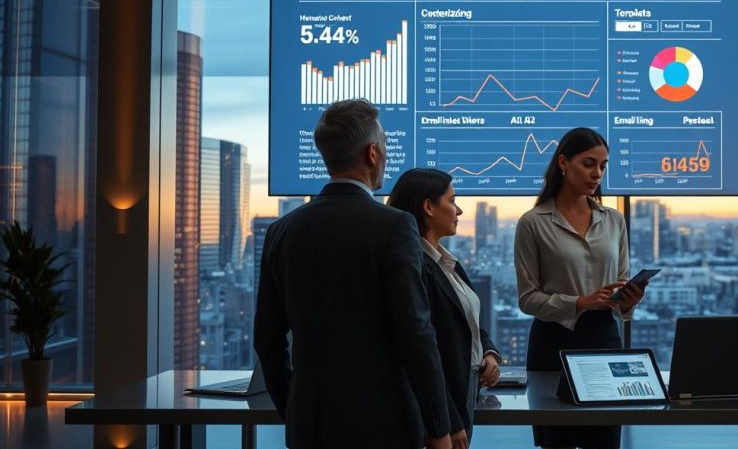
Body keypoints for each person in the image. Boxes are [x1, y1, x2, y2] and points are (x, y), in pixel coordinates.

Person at [254, 100, 452, 449]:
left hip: (309, 426)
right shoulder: (395, 226)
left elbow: (267, 340)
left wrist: (294, 408)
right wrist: (439, 428)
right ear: (372, 154)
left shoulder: (282, 231)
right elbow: (416, 334)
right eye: (386, 146)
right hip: (385, 425)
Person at [514, 127, 647, 449]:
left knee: (604, 440)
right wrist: (580, 302)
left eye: (602, 166)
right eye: (589, 163)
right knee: (556, 440)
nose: (597, 173)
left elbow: (622, 279)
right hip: (553, 343)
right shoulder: (533, 222)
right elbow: (527, 298)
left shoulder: (614, 220)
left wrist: (629, 301)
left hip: (604, 339)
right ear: (563, 162)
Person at [388, 168, 502, 448]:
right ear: (428, 207)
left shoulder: (448, 263)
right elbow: (425, 352)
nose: (459, 210)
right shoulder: (416, 268)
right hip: (441, 408)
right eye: (452, 200)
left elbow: (465, 320)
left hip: (463, 392)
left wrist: (488, 351)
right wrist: (449, 420)